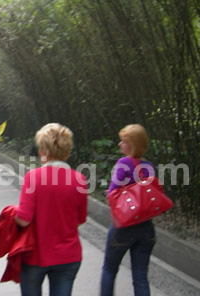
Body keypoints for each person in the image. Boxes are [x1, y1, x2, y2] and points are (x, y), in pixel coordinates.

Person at [15, 123, 88, 296]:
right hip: (68, 256)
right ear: (66, 151)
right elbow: (81, 218)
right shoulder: (80, 180)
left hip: (35, 256)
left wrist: (13, 214)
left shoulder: (33, 178)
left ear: (44, 150)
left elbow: (24, 219)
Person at [100, 124, 156, 296]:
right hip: (146, 228)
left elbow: (112, 194)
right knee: (140, 277)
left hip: (123, 228)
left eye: (123, 141)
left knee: (109, 269)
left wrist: (109, 193)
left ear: (132, 144)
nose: (119, 144)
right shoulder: (148, 166)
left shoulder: (124, 163)